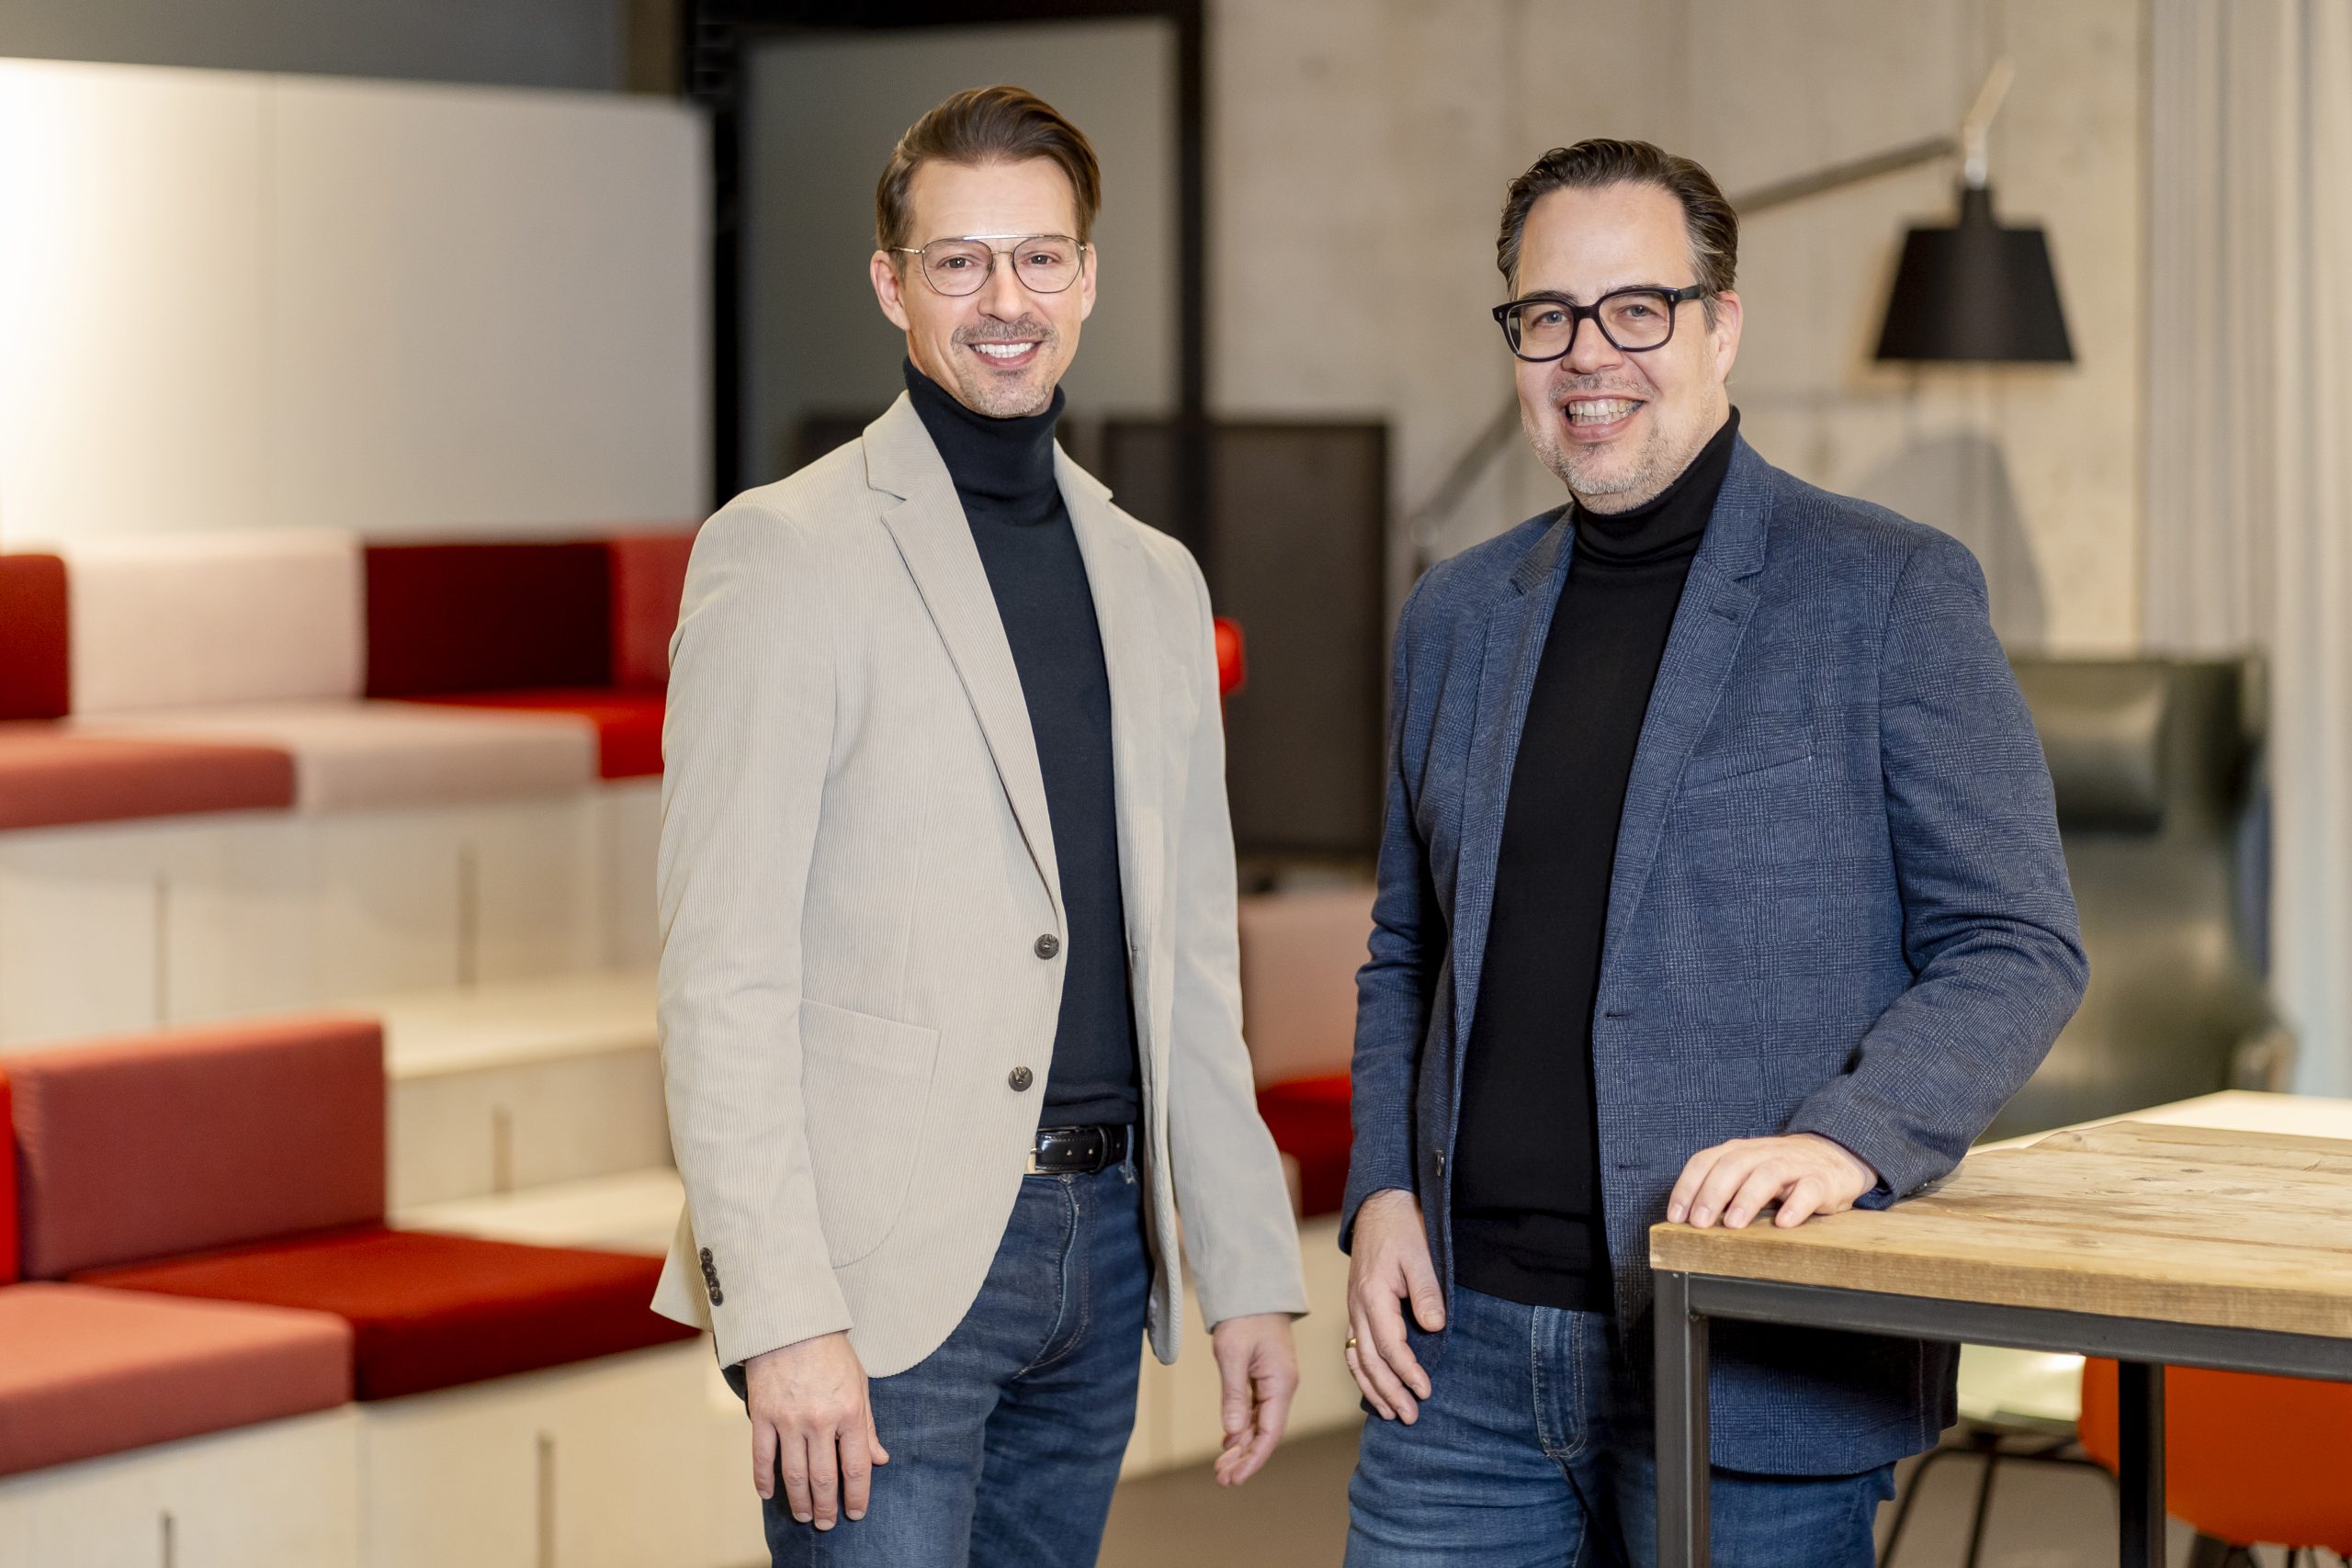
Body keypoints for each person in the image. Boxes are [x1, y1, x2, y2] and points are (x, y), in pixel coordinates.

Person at [1340, 138, 2086, 1566]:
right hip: (1458, 1356)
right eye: (1548, 314)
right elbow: (1406, 946)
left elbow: (2016, 941)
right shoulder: (1455, 615)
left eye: (1638, 309)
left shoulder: (1888, 589)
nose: (1588, 354)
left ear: (1720, 325)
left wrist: (1851, 1138)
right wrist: (1379, 1189)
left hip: (1757, 1335)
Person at [650, 84, 1305, 1568]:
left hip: (1105, 1254)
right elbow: (721, 973)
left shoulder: (1156, 579)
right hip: (877, 1279)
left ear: (1088, 276)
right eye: (960, 262)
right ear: (895, 285)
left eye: (1040, 258)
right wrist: (780, 1313)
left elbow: (1192, 966)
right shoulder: (783, 552)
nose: (1006, 301)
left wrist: (1250, 1268)